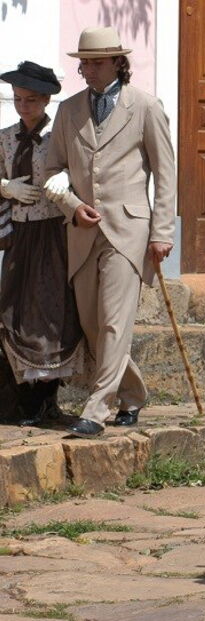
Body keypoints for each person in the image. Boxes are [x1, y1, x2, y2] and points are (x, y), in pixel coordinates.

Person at [44, 26, 176, 438]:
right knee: (93, 325)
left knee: (116, 322)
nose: (88, 69)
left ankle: (96, 411)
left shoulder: (146, 106)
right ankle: (132, 394)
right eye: (84, 62)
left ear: (119, 62)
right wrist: (70, 205)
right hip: (82, 232)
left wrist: (163, 230)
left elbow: (165, 174)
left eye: (97, 62)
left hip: (130, 229)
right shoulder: (68, 111)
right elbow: (50, 171)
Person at [0, 61, 84, 426]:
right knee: (13, 313)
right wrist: (5, 187)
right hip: (19, 237)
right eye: (18, 99)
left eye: (31, 99)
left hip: (54, 235)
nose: (23, 106)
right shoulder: (3, 137)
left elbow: (82, 170)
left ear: (47, 99)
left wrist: (65, 177)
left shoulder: (59, 136)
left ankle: (44, 402)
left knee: (51, 316)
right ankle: (16, 403)